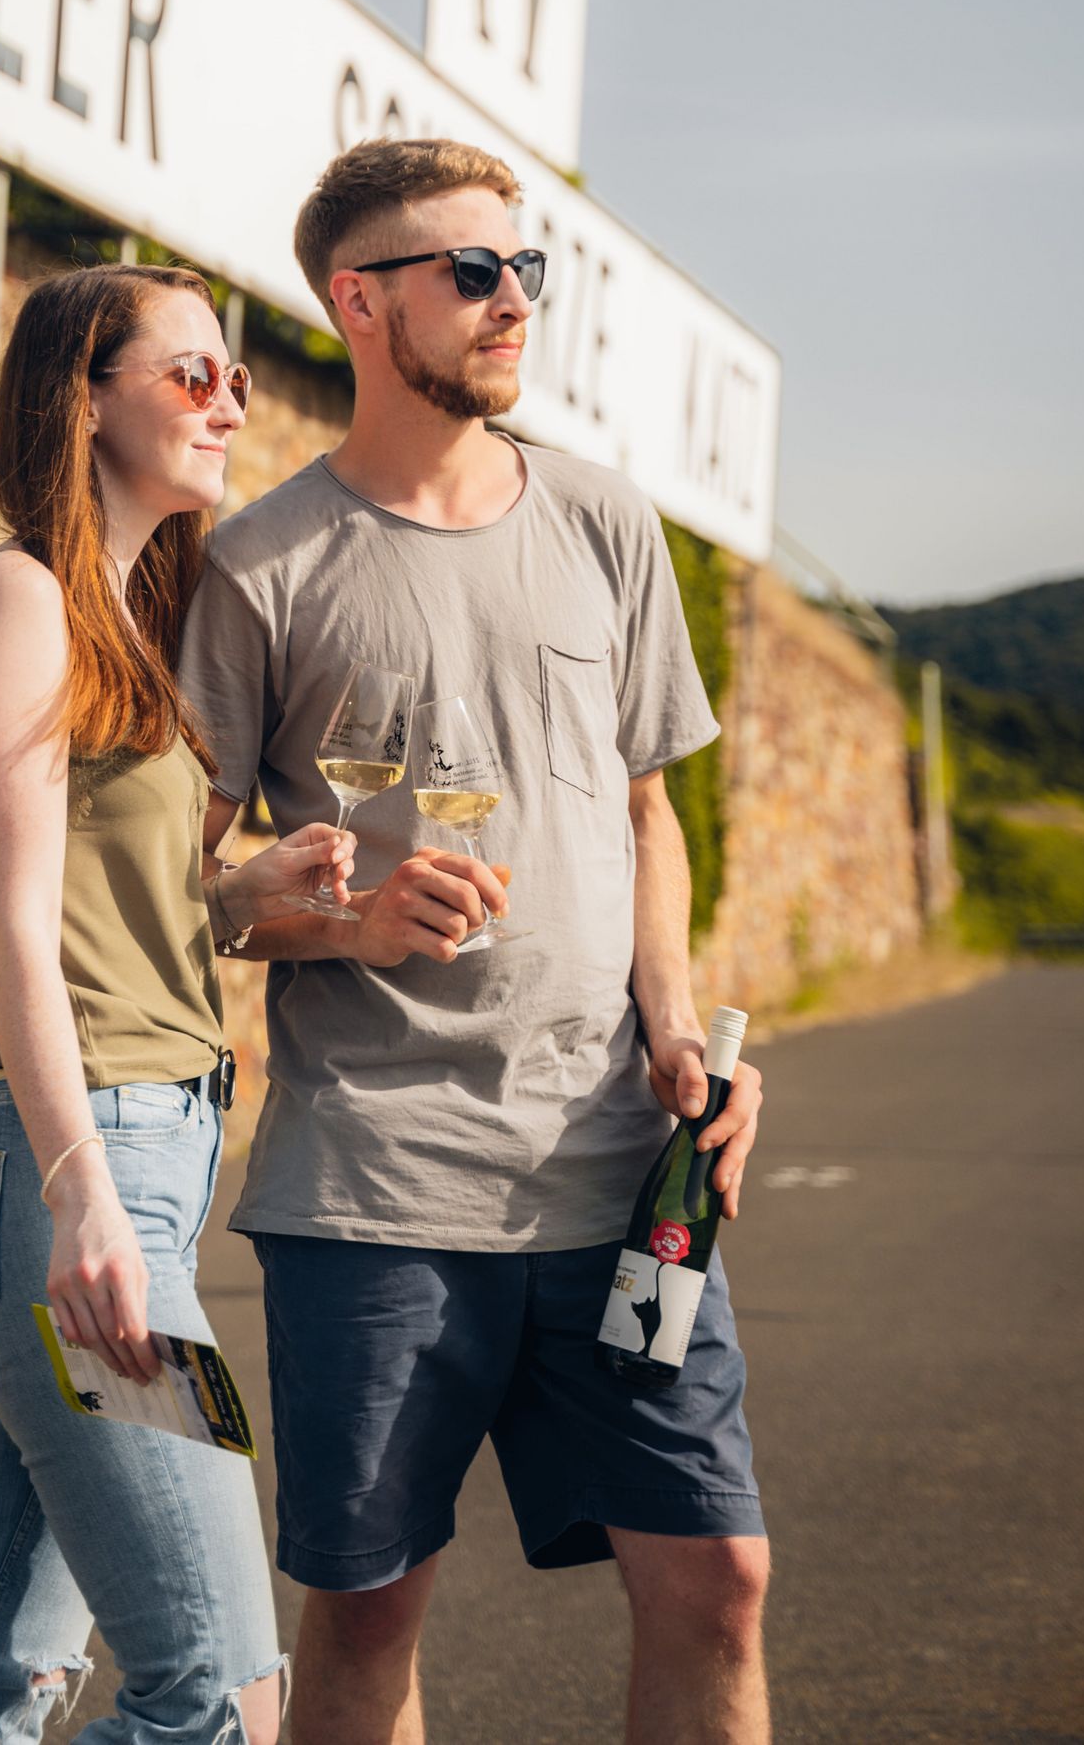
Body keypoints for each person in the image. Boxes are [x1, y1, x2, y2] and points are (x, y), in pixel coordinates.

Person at [178, 139, 771, 1745]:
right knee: (368, 1615)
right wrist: (343, 918)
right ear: (360, 302)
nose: (515, 299)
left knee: (718, 1577)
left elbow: (647, 815)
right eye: (473, 270)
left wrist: (677, 1024)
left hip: (620, 1178)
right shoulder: (260, 565)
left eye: (525, 268)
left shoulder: (604, 519)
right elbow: (189, 881)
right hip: (376, 1190)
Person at [0, 261, 370, 1745]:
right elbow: (15, 933)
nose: (228, 402)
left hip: (134, 1175)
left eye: (237, 377)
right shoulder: (18, 599)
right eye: (191, 373)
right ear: (85, 397)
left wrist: (239, 890)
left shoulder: (113, 619)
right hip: (73, 1181)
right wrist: (83, 1198)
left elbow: (100, 914)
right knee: (226, 1694)